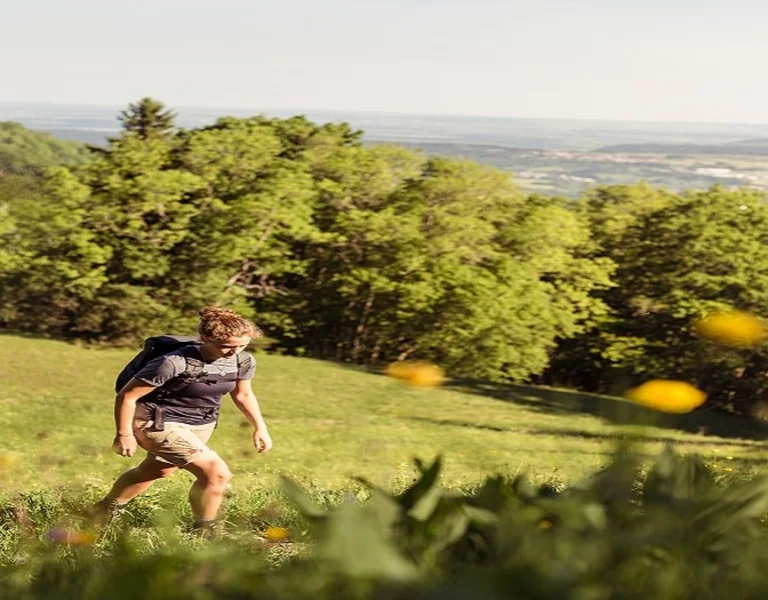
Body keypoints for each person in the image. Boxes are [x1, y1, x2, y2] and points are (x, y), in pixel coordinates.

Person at [94, 306, 272, 536]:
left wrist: (260, 427)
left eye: (242, 345)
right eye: (227, 346)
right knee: (216, 473)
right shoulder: (173, 362)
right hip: (156, 422)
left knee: (158, 470)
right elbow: (128, 396)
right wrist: (124, 434)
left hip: (200, 423)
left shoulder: (242, 361)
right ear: (205, 338)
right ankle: (206, 532)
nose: (234, 352)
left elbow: (243, 394)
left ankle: (103, 511)